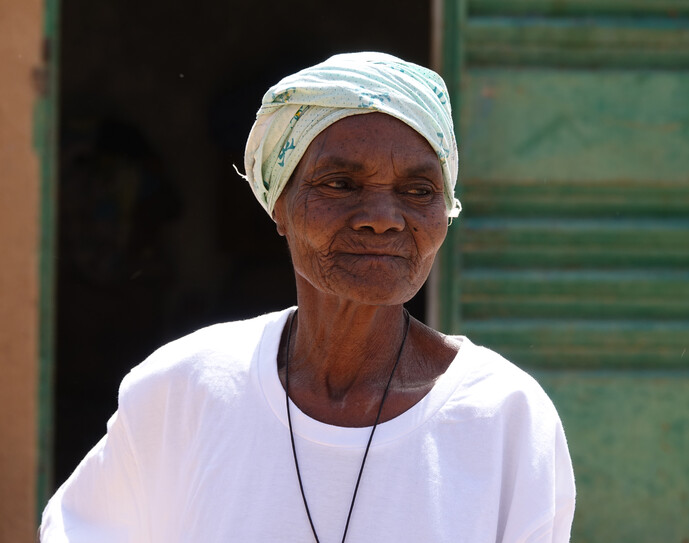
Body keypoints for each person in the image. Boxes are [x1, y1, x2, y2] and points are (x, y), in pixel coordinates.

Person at [40, 52, 575, 542]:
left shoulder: (506, 417)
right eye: (340, 184)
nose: (383, 219)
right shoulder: (184, 389)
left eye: (418, 191)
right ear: (278, 203)